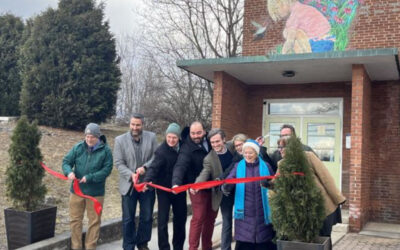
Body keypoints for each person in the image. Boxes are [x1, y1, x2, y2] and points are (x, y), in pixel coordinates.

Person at [267, 136, 346, 237]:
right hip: (301, 213)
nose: (280, 150)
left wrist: (338, 198)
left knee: (322, 241)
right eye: (279, 147)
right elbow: (277, 184)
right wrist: (268, 185)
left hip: (321, 207)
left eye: (282, 147)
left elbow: (326, 178)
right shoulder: (282, 164)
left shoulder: (308, 157)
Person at [62, 123, 113, 250]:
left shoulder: (106, 151)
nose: (89, 139)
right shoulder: (78, 148)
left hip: (95, 193)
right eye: (87, 136)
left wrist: (90, 177)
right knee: (75, 220)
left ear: (98, 137)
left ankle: (91, 247)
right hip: (76, 191)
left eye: (92, 137)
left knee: (94, 222)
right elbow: (66, 162)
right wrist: (69, 172)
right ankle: (76, 247)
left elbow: (106, 170)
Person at [114, 113, 158, 250]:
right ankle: (128, 246)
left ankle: (142, 243)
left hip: (147, 185)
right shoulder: (119, 140)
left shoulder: (152, 137)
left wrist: (145, 167)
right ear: (129, 124)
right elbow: (119, 163)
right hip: (129, 186)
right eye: (133, 124)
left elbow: (156, 157)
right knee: (128, 219)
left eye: (138, 125)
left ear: (142, 125)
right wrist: (131, 174)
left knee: (147, 217)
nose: (135, 127)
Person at [222, 140, 276, 250]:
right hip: (244, 214)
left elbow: (274, 184)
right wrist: (226, 186)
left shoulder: (266, 166)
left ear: (256, 153)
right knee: (245, 243)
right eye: (245, 152)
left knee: (264, 241)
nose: (247, 155)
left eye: (250, 153)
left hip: (262, 211)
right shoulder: (238, 166)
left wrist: (269, 184)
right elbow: (229, 180)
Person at [143, 123, 187, 250]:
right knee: (162, 221)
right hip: (164, 191)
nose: (171, 140)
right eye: (169, 137)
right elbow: (153, 167)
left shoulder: (183, 148)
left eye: (174, 137)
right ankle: (164, 247)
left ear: (178, 138)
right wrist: (147, 180)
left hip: (179, 189)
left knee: (180, 219)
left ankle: (178, 246)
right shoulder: (161, 151)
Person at [172, 121, 214, 250]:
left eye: (198, 133)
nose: (196, 136)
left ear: (204, 132)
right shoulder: (187, 147)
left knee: (210, 219)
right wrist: (176, 183)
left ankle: (207, 247)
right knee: (199, 217)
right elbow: (180, 165)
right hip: (196, 187)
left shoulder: (211, 140)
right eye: (193, 133)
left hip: (213, 186)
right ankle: (193, 248)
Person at [195, 129, 235, 250]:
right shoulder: (209, 158)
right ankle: (225, 248)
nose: (215, 145)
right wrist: (197, 185)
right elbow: (204, 173)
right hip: (224, 193)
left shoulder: (232, 147)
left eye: (217, 141)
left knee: (242, 219)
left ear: (224, 139)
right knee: (227, 222)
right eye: (212, 142)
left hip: (240, 190)